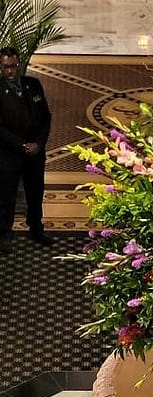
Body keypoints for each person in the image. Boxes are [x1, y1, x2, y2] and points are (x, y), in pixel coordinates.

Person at [0, 46, 52, 254]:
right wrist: (21, 145)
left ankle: (36, 228)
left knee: (35, 191)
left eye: (13, 66)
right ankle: (4, 233)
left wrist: (38, 143)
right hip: (9, 154)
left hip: (35, 153)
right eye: (6, 68)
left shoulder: (33, 84)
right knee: (6, 195)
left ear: (18, 64)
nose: (10, 71)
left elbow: (46, 117)